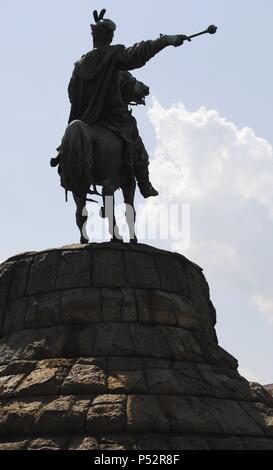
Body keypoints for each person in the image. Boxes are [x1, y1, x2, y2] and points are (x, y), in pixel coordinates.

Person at [51, 9, 191, 198]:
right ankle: (144, 183)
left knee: (71, 135)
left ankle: (63, 155)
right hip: (113, 117)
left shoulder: (79, 65)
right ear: (109, 38)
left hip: (86, 119)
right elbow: (137, 53)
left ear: (94, 37)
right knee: (135, 138)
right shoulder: (112, 57)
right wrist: (165, 40)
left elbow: (71, 94)